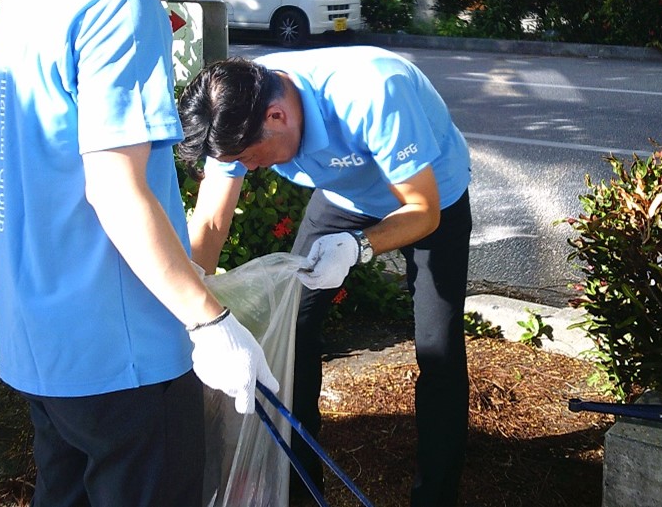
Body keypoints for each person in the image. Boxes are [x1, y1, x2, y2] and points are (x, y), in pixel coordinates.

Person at [0, 0, 276, 506]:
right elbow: (116, 186)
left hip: (41, 342)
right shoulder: (118, 0)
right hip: (124, 354)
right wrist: (207, 320)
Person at [178, 46, 472, 507]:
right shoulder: (234, 108)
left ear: (277, 116)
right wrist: (192, 305)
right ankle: (298, 490)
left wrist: (360, 246)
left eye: (253, 159)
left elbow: (423, 211)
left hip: (433, 198)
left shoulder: (374, 91)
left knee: (439, 350)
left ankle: (436, 496)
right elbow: (212, 224)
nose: (250, 169)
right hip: (345, 198)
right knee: (290, 332)